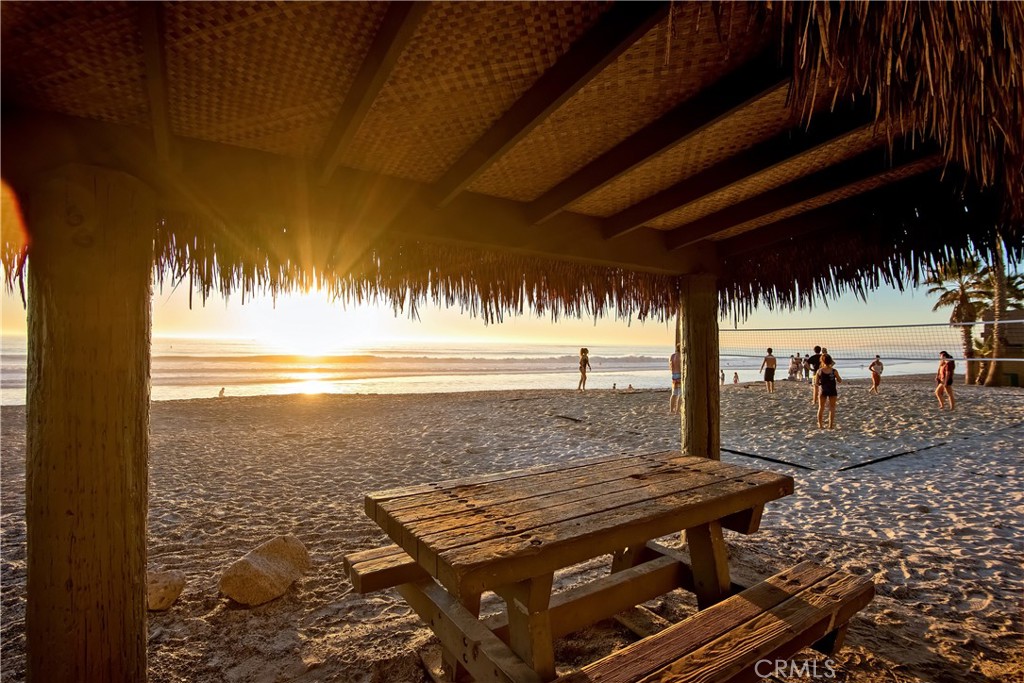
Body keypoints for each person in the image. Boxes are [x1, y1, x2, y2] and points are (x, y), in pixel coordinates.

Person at [814, 354, 842, 429]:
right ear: (830, 361)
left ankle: (820, 425)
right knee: (832, 408)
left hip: (823, 390)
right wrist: (836, 378)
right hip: (832, 390)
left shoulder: (819, 371)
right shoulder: (834, 371)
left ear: (822, 361)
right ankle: (830, 426)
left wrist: (821, 382)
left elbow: (816, 383)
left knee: (821, 408)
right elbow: (840, 380)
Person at [669, 347, 682, 414]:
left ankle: (671, 410)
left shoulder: (672, 356)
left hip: (674, 375)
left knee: (674, 393)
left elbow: (670, 366)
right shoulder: (681, 356)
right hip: (680, 374)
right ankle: (677, 410)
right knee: (681, 393)